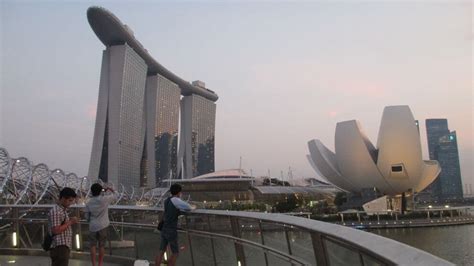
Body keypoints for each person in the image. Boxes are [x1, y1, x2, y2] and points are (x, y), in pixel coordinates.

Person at [155, 184, 194, 266]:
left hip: (164, 228)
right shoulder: (176, 200)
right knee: (175, 253)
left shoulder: (167, 200)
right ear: (179, 192)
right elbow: (189, 207)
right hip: (171, 230)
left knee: (161, 251)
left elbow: (169, 212)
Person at [85, 183, 117, 266]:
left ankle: (93, 264)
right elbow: (116, 195)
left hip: (93, 226)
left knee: (92, 246)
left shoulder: (88, 202)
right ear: (100, 191)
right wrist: (110, 189)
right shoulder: (104, 199)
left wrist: (90, 221)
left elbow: (86, 216)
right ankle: (100, 264)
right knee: (101, 246)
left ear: (91, 191)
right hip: (103, 225)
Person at [48, 187, 79, 266]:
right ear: (63, 198)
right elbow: (56, 230)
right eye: (70, 200)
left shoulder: (62, 210)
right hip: (59, 247)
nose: (71, 203)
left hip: (63, 246)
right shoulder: (56, 211)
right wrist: (70, 222)